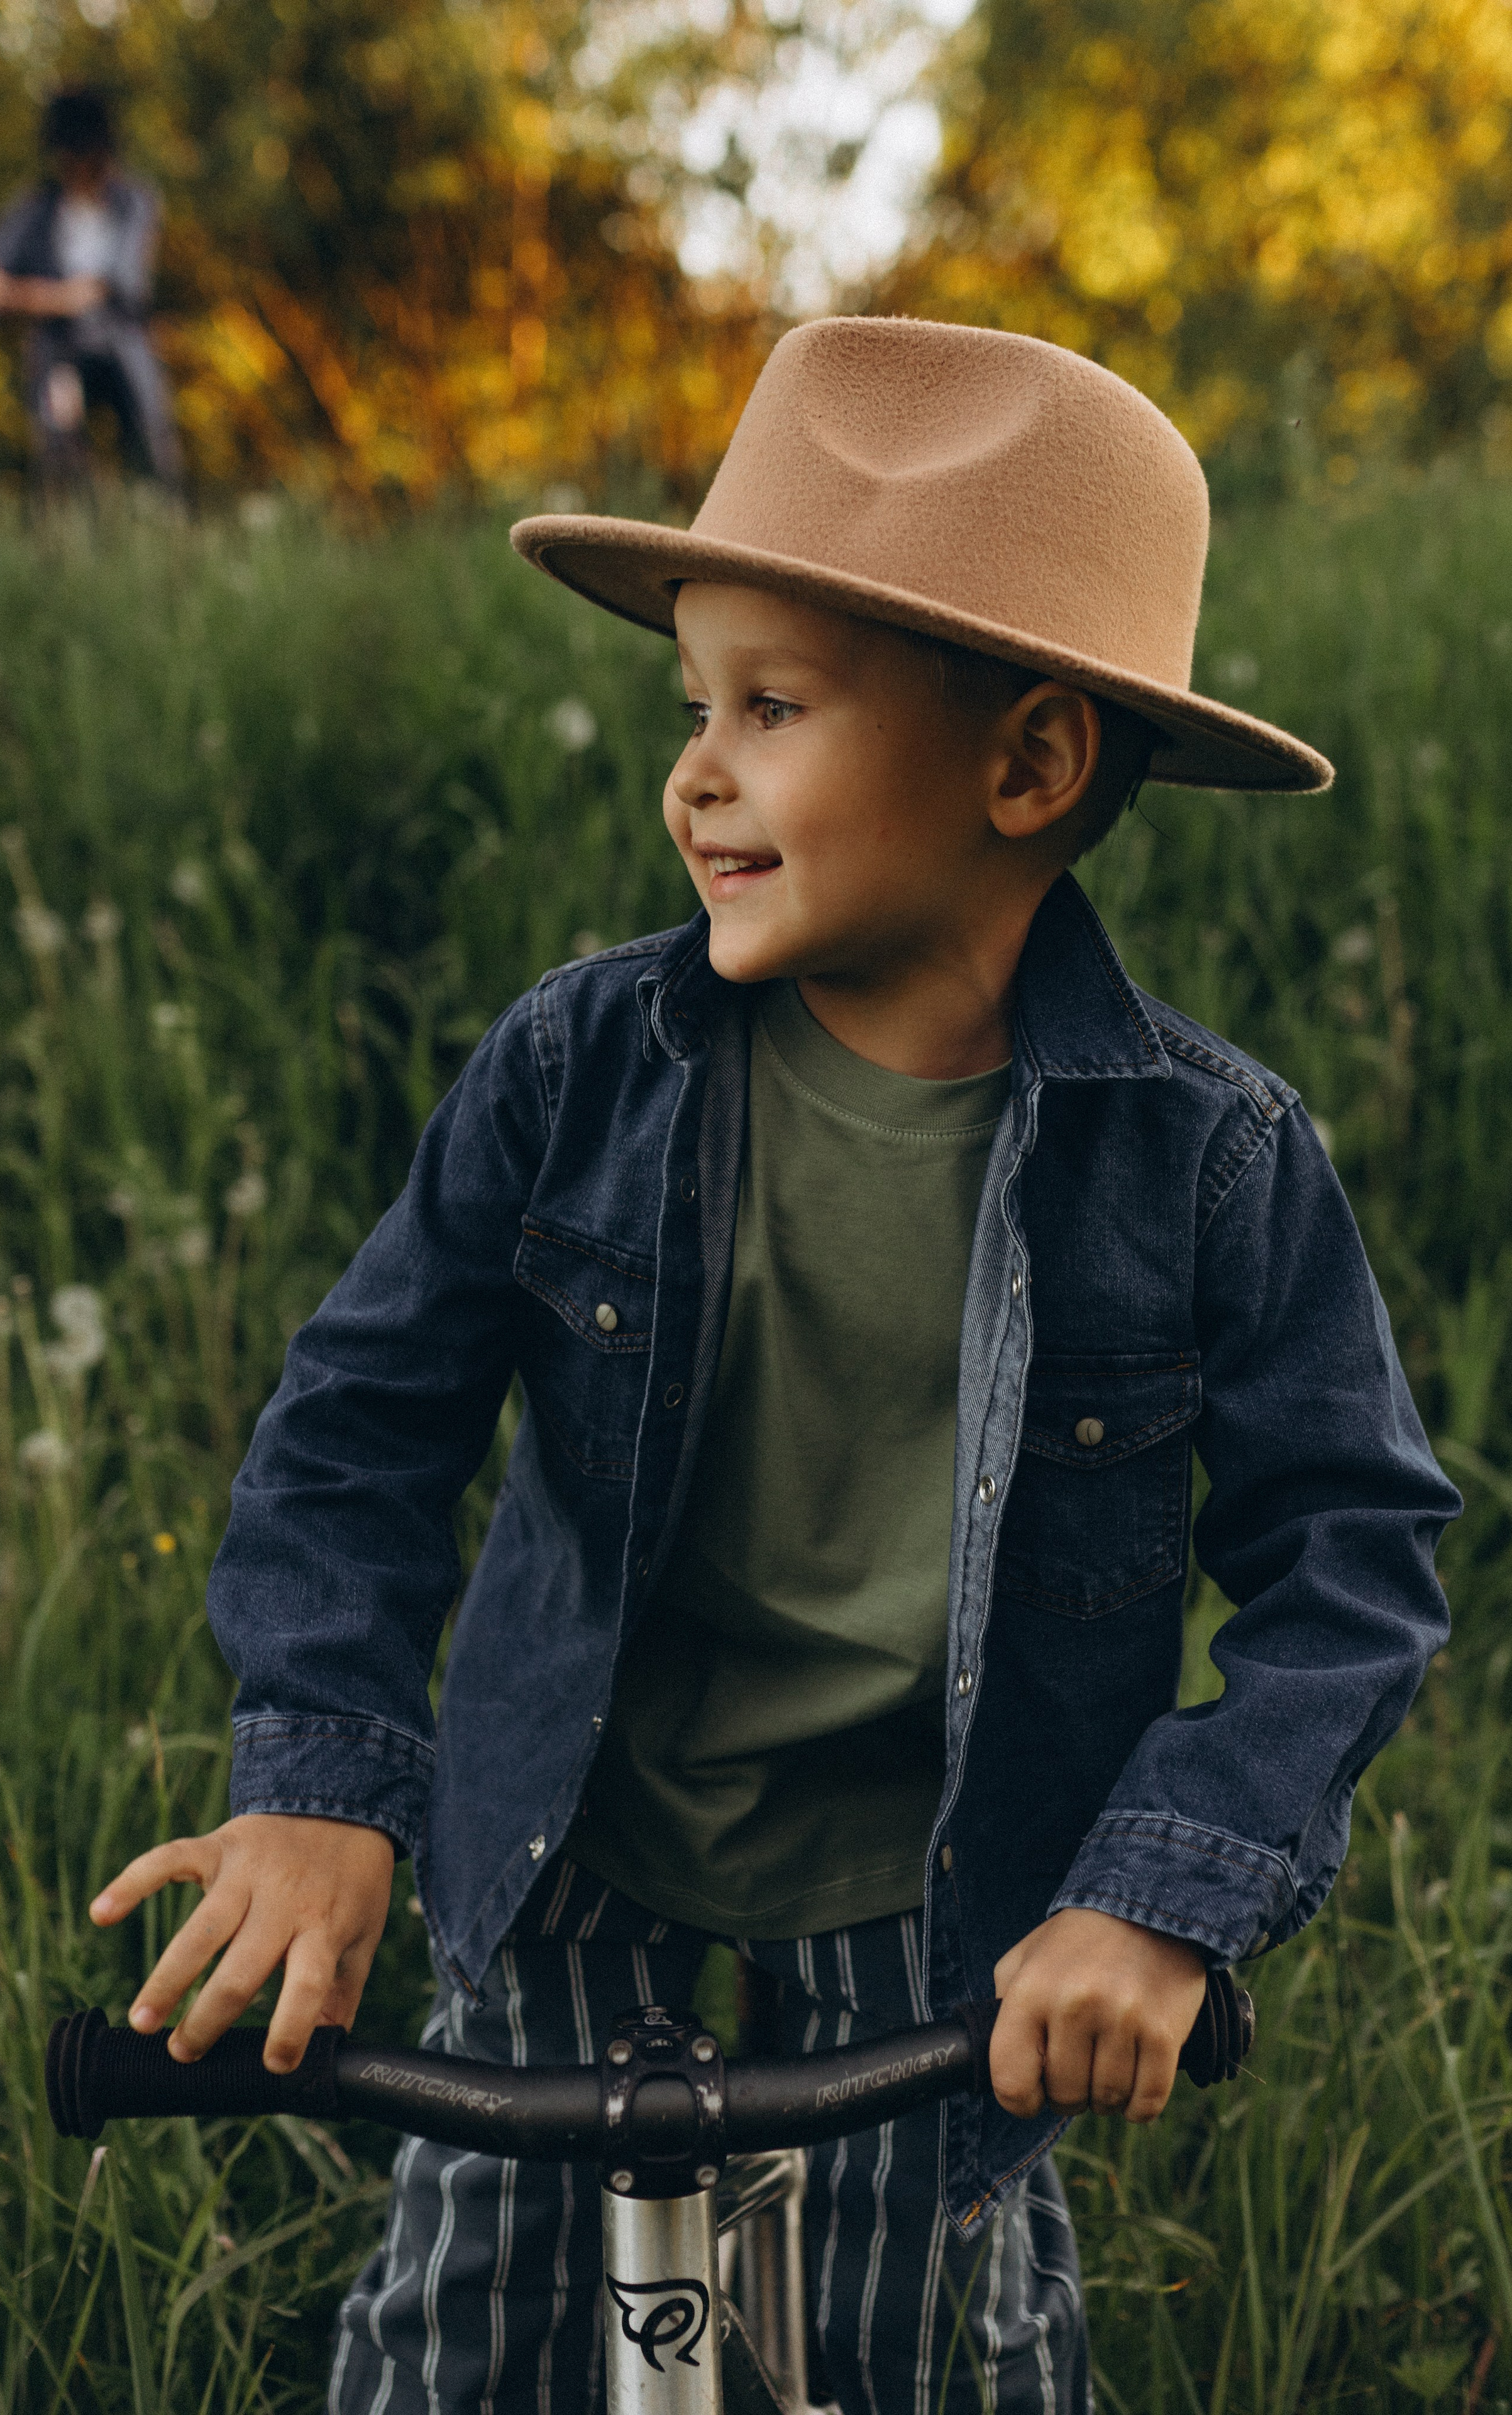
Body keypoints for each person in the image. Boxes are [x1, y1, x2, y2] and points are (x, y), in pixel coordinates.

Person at [89, 319, 1458, 2414]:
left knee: (947, 2347)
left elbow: (1352, 1558)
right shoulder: (578, 1068)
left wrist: (1159, 1899)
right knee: (466, 2342)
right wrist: (325, 1788)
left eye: (775, 707)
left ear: (1027, 768)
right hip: (583, 1830)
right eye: (692, 705)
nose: (696, 770)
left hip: (952, 1881)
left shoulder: (1208, 1160)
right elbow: (358, 1430)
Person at [0, 87, 180, 490]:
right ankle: (68, 523)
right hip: (61, 347)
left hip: (124, 339)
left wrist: (92, 293)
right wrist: (54, 299)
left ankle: (164, 515)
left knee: (153, 437)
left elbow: (130, 281)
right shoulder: (37, 208)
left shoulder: (135, 202)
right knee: (59, 435)